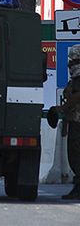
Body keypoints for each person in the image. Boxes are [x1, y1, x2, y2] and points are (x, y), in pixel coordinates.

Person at [55, 44, 80, 200]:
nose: (70, 64)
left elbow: (77, 96)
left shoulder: (78, 78)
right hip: (75, 121)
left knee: (76, 156)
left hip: (78, 123)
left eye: (73, 60)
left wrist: (62, 108)